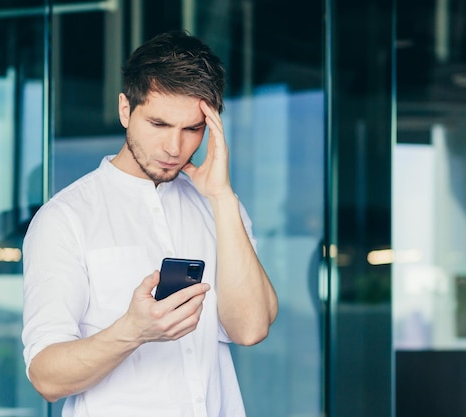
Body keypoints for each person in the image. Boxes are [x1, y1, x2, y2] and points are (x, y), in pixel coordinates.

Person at [21, 30, 278, 417]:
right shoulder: (66, 219)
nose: (175, 148)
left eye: (192, 129)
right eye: (159, 124)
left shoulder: (222, 208)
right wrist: (134, 330)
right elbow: (46, 378)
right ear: (126, 110)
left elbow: (251, 329)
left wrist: (223, 199)